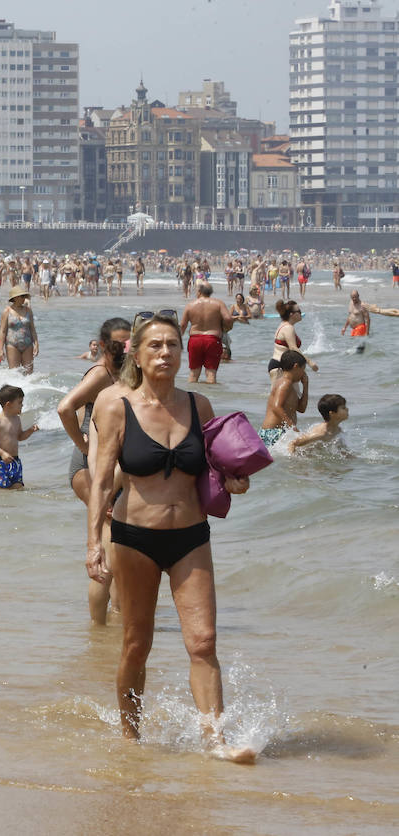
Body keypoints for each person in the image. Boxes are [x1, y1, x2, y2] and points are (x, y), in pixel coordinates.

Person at [84, 312, 254, 761]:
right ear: (136, 355)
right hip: (134, 537)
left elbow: (218, 471)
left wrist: (236, 482)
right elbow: (101, 481)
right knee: (136, 645)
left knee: (204, 642)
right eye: (155, 346)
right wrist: (93, 544)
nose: (165, 353)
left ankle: (216, 741)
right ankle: (130, 740)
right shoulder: (113, 404)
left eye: (173, 345)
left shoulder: (199, 406)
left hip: (191, 537)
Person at [57, 317, 131, 624]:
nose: (123, 348)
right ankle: (101, 629)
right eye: (117, 344)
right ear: (102, 345)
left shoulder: (120, 373)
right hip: (90, 469)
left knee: (118, 545)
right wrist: (84, 444)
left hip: (109, 470)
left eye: (129, 343)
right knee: (108, 544)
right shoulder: (101, 373)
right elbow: (65, 407)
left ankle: (113, 620)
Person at [0, 385, 37, 490]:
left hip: (15, 461)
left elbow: (20, 437)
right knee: (3, 489)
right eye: (19, 403)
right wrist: (2, 453)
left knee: (18, 487)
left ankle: (16, 506)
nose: (22, 405)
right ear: (8, 404)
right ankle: (4, 506)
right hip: (0, 462)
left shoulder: (17, 419)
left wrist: (30, 430)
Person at [180, 282, 232, 384]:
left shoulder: (190, 305)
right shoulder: (218, 304)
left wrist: (178, 340)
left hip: (195, 340)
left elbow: (183, 325)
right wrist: (226, 328)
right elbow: (228, 318)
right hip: (212, 339)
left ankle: (191, 397)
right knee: (211, 373)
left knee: (193, 373)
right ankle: (211, 397)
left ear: (199, 292)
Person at [260, 350, 309, 447]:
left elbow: (302, 409)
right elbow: (276, 406)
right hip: (273, 432)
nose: (303, 373)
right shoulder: (284, 383)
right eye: (303, 369)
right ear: (296, 366)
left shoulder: (291, 386)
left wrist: (306, 385)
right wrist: (292, 427)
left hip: (282, 431)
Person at [269, 299, 318, 375]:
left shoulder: (285, 325)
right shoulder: (288, 328)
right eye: (299, 311)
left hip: (281, 365)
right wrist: (310, 362)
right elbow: (293, 348)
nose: (301, 314)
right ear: (291, 314)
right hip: (279, 366)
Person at [0, 286, 39, 374]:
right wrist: (1, 349)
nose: (24, 298)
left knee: (29, 374)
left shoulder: (28, 310)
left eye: (24, 296)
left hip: (27, 344)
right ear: (15, 298)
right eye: (22, 296)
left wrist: (36, 344)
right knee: (14, 373)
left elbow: (32, 328)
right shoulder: (7, 311)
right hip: (12, 345)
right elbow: (3, 331)